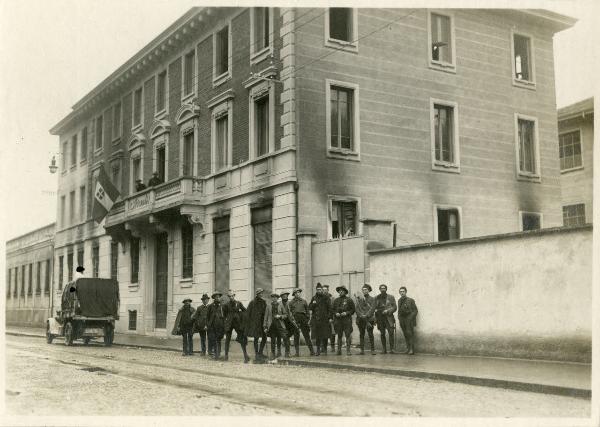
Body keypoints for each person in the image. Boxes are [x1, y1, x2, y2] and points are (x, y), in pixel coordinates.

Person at [223, 289, 250, 363]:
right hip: (229, 324)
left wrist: (240, 316)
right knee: (227, 340)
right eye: (229, 296)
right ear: (228, 297)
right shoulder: (226, 305)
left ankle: (246, 356)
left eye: (232, 296)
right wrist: (226, 321)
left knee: (241, 338)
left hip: (237, 324)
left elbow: (245, 311)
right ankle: (226, 356)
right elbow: (224, 315)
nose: (231, 297)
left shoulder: (238, 303)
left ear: (234, 296)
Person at [288, 288, 315, 356]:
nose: (298, 294)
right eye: (296, 293)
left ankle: (312, 351)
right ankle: (297, 353)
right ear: (294, 294)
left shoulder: (304, 301)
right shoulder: (291, 302)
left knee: (306, 336)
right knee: (296, 336)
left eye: (299, 292)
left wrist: (307, 319)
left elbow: (307, 311)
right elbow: (289, 313)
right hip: (295, 320)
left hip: (303, 320)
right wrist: (292, 321)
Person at [263, 292, 290, 359]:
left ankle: (284, 352)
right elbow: (265, 317)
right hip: (272, 325)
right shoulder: (268, 306)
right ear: (271, 298)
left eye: (275, 297)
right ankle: (273, 354)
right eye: (273, 297)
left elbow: (285, 315)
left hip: (280, 324)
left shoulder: (280, 305)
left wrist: (280, 316)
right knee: (273, 340)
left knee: (283, 337)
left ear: (277, 298)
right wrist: (265, 327)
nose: (274, 298)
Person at [309, 283, 333, 356]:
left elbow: (330, 308)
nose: (319, 291)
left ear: (322, 290)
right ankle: (318, 350)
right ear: (316, 290)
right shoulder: (314, 298)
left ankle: (325, 350)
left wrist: (330, 317)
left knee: (325, 336)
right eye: (317, 289)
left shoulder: (326, 297)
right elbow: (309, 307)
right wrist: (313, 304)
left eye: (320, 289)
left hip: (324, 320)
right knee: (317, 336)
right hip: (316, 320)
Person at [332, 285, 355, 355]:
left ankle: (348, 350)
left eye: (342, 290)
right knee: (339, 335)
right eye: (339, 291)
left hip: (346, 320)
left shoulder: (349, 300)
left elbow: (353, 310)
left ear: (345, 292)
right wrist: (336, 313)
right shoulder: (336, 300)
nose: (341, 292)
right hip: (338, 321)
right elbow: (332, 310)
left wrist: (346, 313)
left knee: (347, 335)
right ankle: (339, 350)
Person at [246, 288, 268, 362]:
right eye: (260, 293)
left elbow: (266, 312)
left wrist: (266, 322)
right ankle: (256, 354)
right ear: (257, 294)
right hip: (255, 323)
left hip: (262, 323)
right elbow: (248, 313)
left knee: (264, 338)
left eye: (262, 293)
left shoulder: (263, 302)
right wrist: (249, 323)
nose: (261, 294)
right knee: (256, 338)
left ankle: (260, 352)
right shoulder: (252, 302)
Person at [354, 284, 377, 355]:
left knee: (370, 334)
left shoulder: (372, 299)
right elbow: (357, 309)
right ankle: (362, 350)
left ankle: (372, 349)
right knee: (361, 334)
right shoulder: (359, 300)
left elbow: (372, 309)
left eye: (366, 290)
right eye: (363, 290)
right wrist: (361, 315)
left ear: (369, 290)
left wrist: (366, 315)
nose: (364, 291)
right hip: (361, 319)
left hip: (369, 320)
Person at [375, 284, 397, 354]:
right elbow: (374, 307)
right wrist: (376, 311)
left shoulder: (391, 297)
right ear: (379, 289)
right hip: (380, 318)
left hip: (389, 318)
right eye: (381, 288)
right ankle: (384, 349)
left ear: (386, 289)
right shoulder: (377, 297)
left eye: (384, 288)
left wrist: (388, 311)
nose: (382, 289)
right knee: (382, 333)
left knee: (391, 333)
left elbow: (394, 307)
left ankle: (392, 349)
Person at [398, 286, 418, 355]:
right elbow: (399, 311)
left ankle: (412, 350)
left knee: (410, 334)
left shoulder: (410, 300)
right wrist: (399, 319)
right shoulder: (399, 300)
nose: (402, 293)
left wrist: (410, 318)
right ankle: (408, 348)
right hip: (402, 320)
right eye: (401, 292)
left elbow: (415, 310)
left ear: (406, 292)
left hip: (409, 320)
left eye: (403, 291)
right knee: (405, 334)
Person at [207, 292, 225, 360]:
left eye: (218, 297)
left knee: (219, 340)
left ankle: (219, 354)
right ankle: (215, 354)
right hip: (212, 326)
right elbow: (207, 317)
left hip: (220, 326)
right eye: (216, 297)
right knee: (214, 340)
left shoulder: (222, 306)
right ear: (214, 298)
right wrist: (208, 325)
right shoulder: (210, 306)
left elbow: (224, 316)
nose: (217, 298)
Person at [279, 291, 298, 357]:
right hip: (283, 323)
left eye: (286, 295)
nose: (285, 297)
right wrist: (283, 316)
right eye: (283, 296)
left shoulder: (289, 303)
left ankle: (291, 352)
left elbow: (292, 313)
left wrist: (293, 320)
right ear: (281, 297)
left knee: (291, 334)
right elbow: (279, 314)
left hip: (290, 322)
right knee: (285, 337)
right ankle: (287, 352)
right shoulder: (279, 304)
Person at [322, 284, 336, 352]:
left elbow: (334, 308)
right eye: (323, 290)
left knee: (332, 332)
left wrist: (332, 318)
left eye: (326, 290)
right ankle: (324, 347)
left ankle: (332, 346)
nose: (324, 291)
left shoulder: (332, 298)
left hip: (331, 317)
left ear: (328, 290)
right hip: (323, 318)